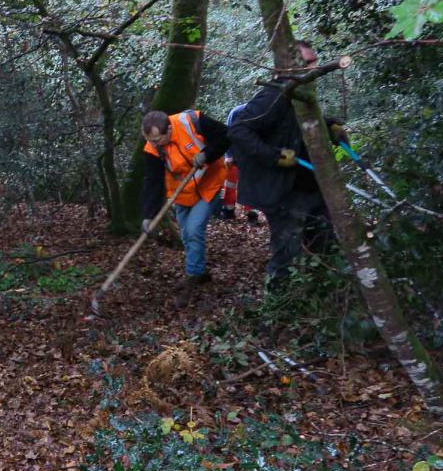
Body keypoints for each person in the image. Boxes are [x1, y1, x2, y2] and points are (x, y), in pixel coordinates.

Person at [228, 41, 343, 285]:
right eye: (309, 62)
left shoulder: (303, 93)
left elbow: (300, 123)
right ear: (289, 67)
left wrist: (330, 125)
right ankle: (275, 305)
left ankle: (323, 299)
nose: (316, 66)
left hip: (312, 187)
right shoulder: (274, 94)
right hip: (285, 194)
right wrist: (275, 156)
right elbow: (239, 130)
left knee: (325, 245)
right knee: (287, 254)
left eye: (315, 59)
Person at [137, 108, 230, 308]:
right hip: (180, 193)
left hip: (208, 185)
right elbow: (151, 181)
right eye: (149, 140)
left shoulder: (192, 121)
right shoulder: (152, 148)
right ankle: (200, 271)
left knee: (194, 230)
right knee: (186, 235)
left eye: (156, 139)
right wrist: (148, 215)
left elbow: (226, 135)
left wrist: (207, 154)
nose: (152, 144)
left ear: (169, 130)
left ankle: (192, 279)